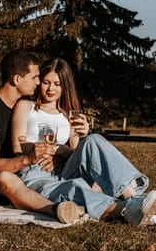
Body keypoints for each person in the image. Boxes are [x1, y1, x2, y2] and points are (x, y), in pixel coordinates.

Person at [11, 57, 156, 225]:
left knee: (93, 139)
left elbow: (75, 152)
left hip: (63, 169)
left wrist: (81, 136)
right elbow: (17, 145)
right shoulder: (26, 106)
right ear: (39, 83)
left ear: (65, 86)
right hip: (35, 171)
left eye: (57, 84)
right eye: (46, 82)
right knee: (72, 187)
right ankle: (127, 209)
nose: (51, 88)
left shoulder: (68, 114)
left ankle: (133, 198)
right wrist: (47, 149)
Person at [0, 50, 85, 224]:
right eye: (34, 78)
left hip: (33, 173)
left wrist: (56, 156)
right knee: (4, 177)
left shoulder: (26, 107)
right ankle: (54, 209)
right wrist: (28, 159)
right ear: (16, 79)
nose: (38, 83)